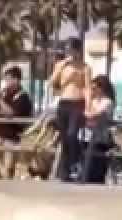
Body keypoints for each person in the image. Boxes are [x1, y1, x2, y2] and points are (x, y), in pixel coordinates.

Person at [50, 37, 92, 181]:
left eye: (73, 49)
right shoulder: (61, 65)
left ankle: (76, 161)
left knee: (72, 134)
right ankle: (65, 171)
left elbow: (87, 88)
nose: (70, 52)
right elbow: (53, 82)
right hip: (64, 102)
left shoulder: (85, 67)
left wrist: (88, 106)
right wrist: (61, 67)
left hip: (77, 103)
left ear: (78, 50)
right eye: (68, 49)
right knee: (64, 138)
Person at [0, 66, 34, 179]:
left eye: (8, 79)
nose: (6, 83)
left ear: (16, 80)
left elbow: (11, 113)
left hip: (11, 137)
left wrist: (0, 101)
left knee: (8, 168)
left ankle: (6, 187)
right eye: (5, 79)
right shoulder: (4, 94)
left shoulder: (23, 96)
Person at [80, 75, 116, 184]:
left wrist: (88, 100)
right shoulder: (94, 100)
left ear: (102, 88)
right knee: (86, 168)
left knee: (96, 171)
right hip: (86, 137)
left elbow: (91, 115)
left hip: (100, 140)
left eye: (95, 88)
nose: (93, 91)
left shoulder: (107, 102)